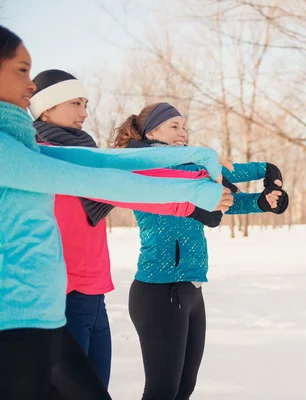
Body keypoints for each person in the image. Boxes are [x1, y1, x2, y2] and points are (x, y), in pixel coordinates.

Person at [0, 25, 232, 399]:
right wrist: (190, 191)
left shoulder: (24, 143)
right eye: (22, 70)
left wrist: (192, 155)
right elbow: (101, 181)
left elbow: (104, 161)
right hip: (16, 323)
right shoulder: (12, 151)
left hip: (54, 312)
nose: (30, 84)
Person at [111, 102, 289, 400]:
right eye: (174, 126)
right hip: (159, 291)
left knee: (183, 389)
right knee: (162, 391)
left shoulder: (189, 166)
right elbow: (196, 185)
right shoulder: (145, 167)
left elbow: (223, 197)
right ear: (152, 130)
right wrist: (252, 171)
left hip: (191, 289)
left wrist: (262, 199)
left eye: (184, 127)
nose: (183, 133)